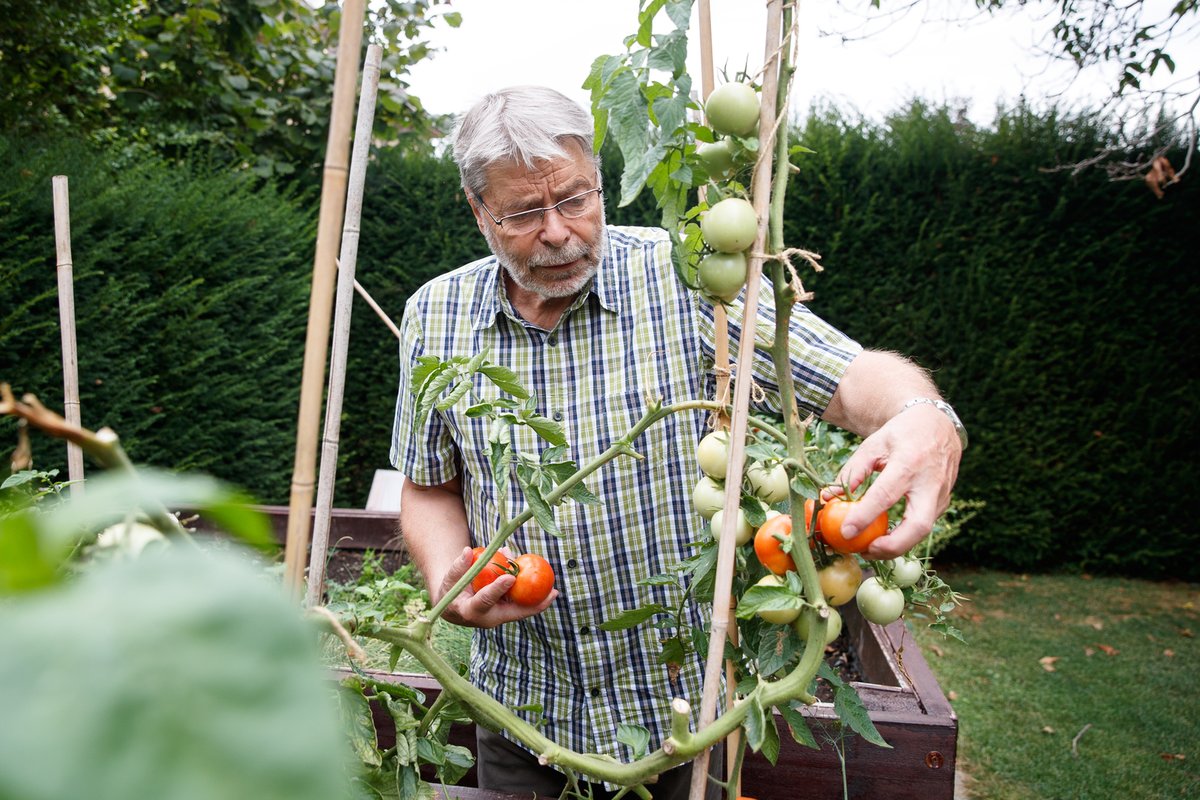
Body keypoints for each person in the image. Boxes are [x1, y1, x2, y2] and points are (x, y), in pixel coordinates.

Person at [390, 85, 965, 798]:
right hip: (521, 715)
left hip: (681, 720)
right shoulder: (435, 317)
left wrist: (923, 410)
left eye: (575, 198)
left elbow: (846, 377)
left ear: (599, 180)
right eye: (523, 213)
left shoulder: (686, 276)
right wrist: (452, 574)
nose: (560, 232)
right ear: (478, 211)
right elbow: (427, 484)